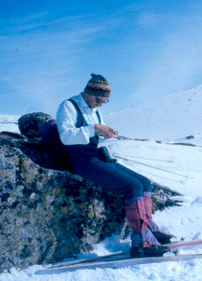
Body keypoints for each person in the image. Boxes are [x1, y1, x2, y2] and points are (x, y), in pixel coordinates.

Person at [55, 73, 172, 258]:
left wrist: (106, 134)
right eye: (99, 100)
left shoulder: (95, 109)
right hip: (84, 161)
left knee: (145, 183)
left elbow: (96, 131)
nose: (101, 104)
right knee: (133, 186)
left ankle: (149, 230)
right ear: (89, 92)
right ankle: (141, 242)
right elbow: (66, 136)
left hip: (101, 156)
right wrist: (94, 128)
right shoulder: (68, 106)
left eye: (104, 101)